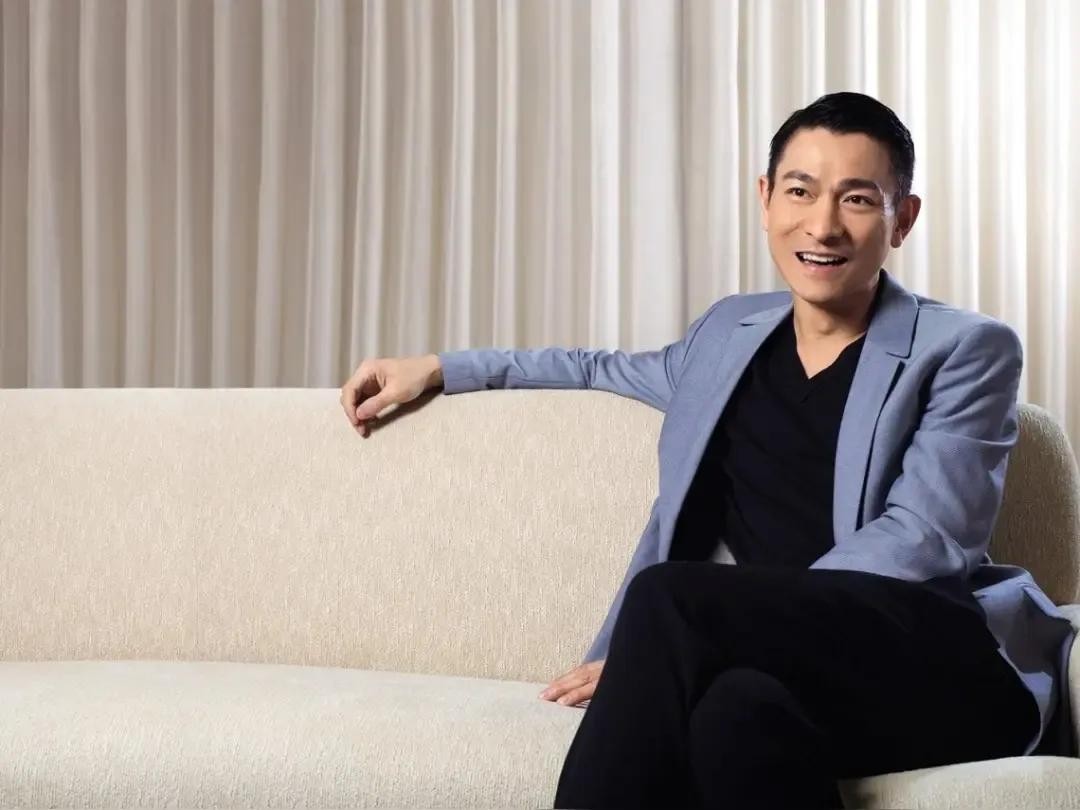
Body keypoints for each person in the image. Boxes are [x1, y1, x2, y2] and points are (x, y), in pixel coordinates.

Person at [340, 92, 1075, 808]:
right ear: (766, 199)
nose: (822, 225)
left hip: (937, 667)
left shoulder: (964, 348)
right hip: (795, 677)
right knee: (736, 714)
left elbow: (926, 537)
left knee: (669, 599)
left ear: (902, 219)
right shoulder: (728, 335)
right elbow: (595, 368)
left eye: (857, 199)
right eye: (800, 191)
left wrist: (723, 625)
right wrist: (439, 367)